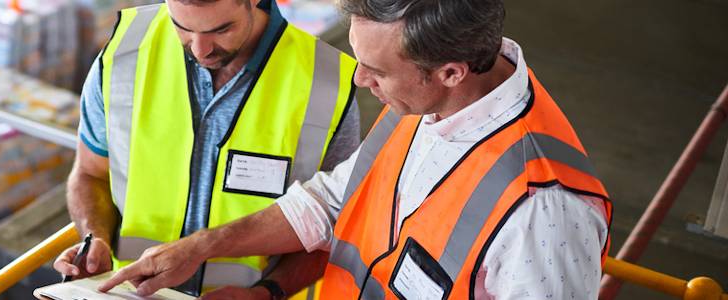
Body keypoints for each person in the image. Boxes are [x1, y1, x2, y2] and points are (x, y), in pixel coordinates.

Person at [99, 0, 613, 298]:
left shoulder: (543, 207)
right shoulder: (425, 102)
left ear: (451, 71)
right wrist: (202, 247)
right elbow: (332, 201)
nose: (360, 78)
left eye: (377, 69)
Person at [53, 0, 364, 295]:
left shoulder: (327, 84)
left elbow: (337, 227)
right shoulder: (125, 51)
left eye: (221, 29)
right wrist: (95, 239)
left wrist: (266, 294)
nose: (200, 49)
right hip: (125, 293)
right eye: (182, 27)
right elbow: (90, 174)